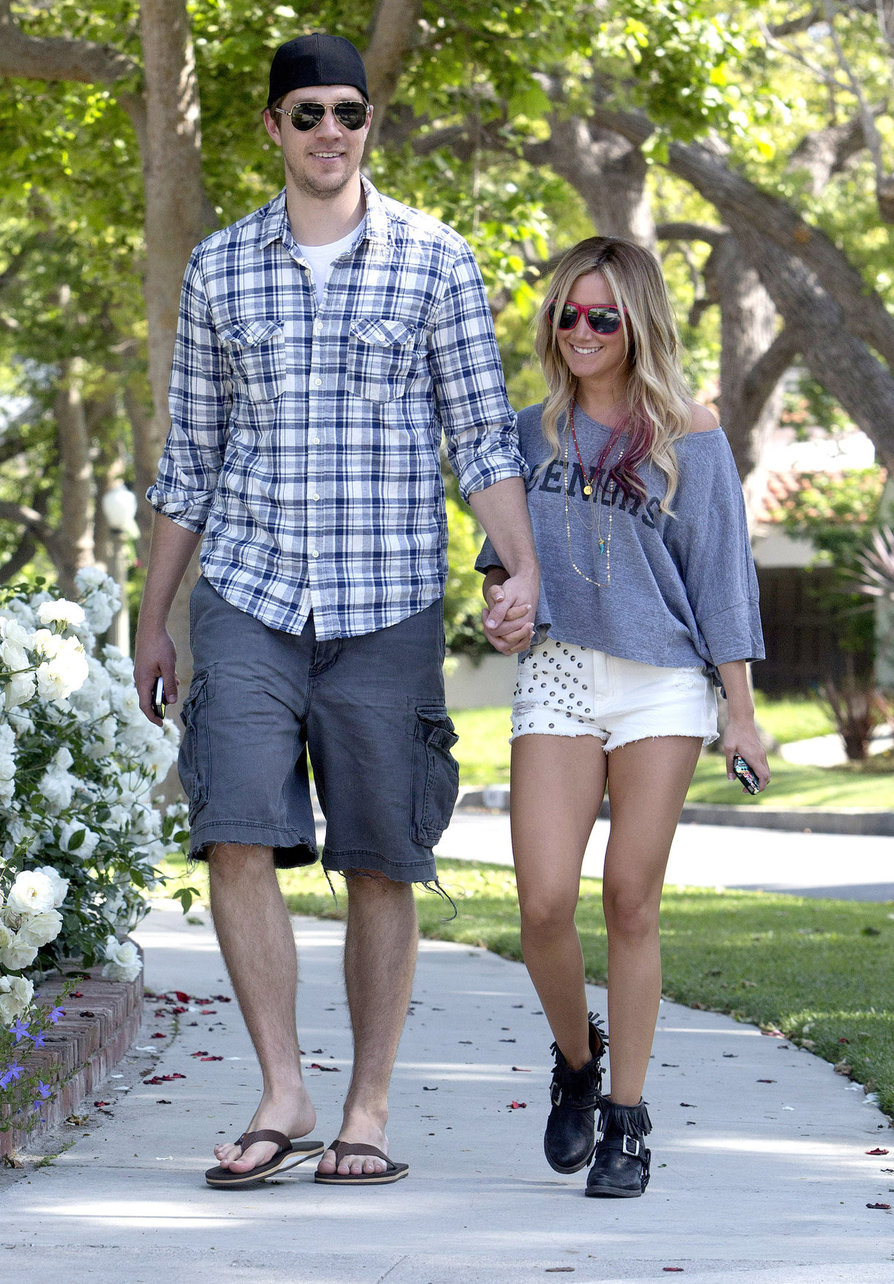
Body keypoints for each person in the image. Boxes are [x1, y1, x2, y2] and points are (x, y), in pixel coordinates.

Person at [134, 32, 538, 1190]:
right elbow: (190, 461)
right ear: (271, 127)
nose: (327, 131)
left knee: (379, 857)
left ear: (371, 126)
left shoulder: (435, 261)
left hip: (388, 603)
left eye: (347, 113)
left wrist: (518, 571)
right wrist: (154, 619)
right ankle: (282, 1092)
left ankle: (365, 1111)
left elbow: (482, 436)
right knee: (234, 832)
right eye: (304, 112)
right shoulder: (220, 270)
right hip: (251, 598)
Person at [477, 236, 769, 1198]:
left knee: (631, 900)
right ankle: (576, 1059)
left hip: (663, 684)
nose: (583, 332)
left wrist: (742, 712)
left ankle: (628, 1123)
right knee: (543, 905)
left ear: (638, 322)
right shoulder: (526, 434)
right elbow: (507, 571)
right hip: (558, 672)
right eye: (569, 314)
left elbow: (721, 579)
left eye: (604, 316)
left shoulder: (690, 436)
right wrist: (505, 609)